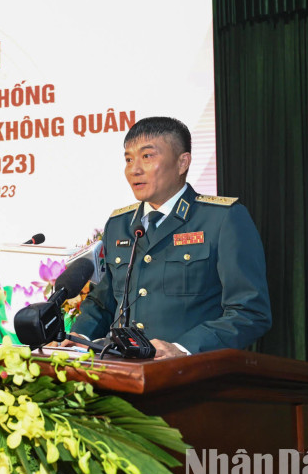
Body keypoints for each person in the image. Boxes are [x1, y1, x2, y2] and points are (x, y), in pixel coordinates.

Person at [70, 117, 271, 358]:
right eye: (128, 159)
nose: (134, 169)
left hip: (190, 376)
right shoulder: (119, 225)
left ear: (182, 162)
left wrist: (183, 348)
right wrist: (78, 338)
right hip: (120, 370)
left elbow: (249, 312)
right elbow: (103, 304)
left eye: (147, 156)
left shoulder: (222, 219)